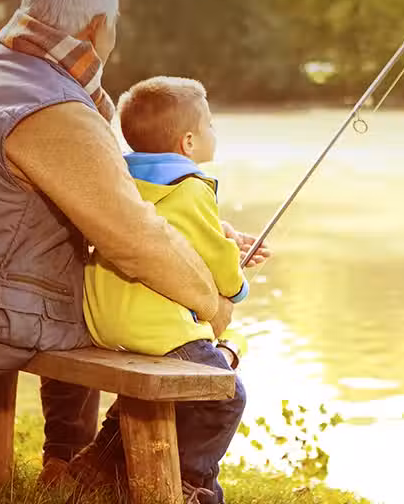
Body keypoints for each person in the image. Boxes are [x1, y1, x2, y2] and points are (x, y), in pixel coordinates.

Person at [0, 0, 267, 486]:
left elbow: (113, 202)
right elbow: (135, 239)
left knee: (107, 292)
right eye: (113, 21)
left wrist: (213, 234)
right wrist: (211, 303)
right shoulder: (54, 109)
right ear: (97, 27)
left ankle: (72, 464)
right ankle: (122, 475)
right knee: (163, 332)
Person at [73, 76, 250, 504]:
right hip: (155, 331)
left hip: (102, 322)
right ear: (188, 142)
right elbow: (219, 264)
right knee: (225, 396)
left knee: (154, 393)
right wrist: (239, 284)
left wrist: (221, 236)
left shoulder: (119, 179)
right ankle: (189, 482)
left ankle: (96, 467)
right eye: (209, 125)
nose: (214, 132)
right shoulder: (192, 188)